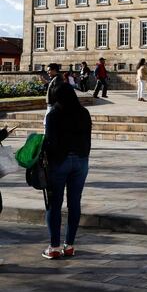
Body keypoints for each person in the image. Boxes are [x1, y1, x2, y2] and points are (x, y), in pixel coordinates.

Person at [41, 83, 92, 259]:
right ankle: (69, 245)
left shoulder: (54, 114)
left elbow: (50, 141)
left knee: (54, 203)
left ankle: (54, 247)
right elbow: (88, 137)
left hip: (60, 161)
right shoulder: (83, 113)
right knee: (74, 202)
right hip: (80, 161)